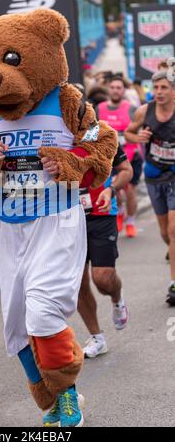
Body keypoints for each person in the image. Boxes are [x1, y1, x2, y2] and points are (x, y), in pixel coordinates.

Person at [77, 146, 133, 358]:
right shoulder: (54, 132)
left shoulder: (102, 134)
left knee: (103, 278)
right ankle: (97, 338)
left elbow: (126, 170)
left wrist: (111, 188)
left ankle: (117, 298)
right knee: (78, 282)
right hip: (68, 217)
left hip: (101, 213)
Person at [125, 71, 175, 306]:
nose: (159, 92)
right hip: (154, 177)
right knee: (165, 234)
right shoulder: (145, 111)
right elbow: (128, 132)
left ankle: (173, 283)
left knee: (174, 230)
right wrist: (139, 137)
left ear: (173, 90)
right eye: (156, 88)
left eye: (164, 87)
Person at [98, 76, 143, 238]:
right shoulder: (100, 109)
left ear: (123, 90)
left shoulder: (131, 109)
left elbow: (138, 131)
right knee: (114, 188)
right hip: (109, 157)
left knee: (130, 189)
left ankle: (130, 222)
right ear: (108, 90)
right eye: (113, 87)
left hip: (130, 155)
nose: (115, 90)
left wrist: (138, 147)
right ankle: (120, 212)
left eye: (119, 87)